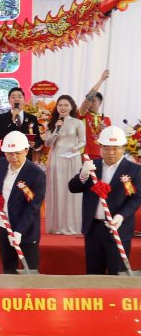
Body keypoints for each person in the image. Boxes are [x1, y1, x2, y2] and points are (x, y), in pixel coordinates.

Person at [68, 126, 141, 275]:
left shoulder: (134, 170)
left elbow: (135, 198)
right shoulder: (92, 166)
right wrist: (83, 174)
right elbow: (73, 188)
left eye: (116, 148)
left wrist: (121, 216)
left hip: (118, 228)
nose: (111, 153)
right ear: (100, 147)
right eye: (106, 148)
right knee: (94, 273)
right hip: (93, 228)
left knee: (118, 273)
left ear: (124, 147)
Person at [0, 132, 46, 274]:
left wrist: (19, 231)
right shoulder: (1, 164)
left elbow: (33, 207)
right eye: (9, 153)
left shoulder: (36, 174)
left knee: (30, 271)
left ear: (26, 150)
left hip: (26, 229)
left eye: (17, 153)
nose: (13, 157)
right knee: (8, 269)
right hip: (3, 224)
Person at [43, 95, 86, 235]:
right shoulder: (52, 123)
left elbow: (83, 141)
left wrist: (76, 147)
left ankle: (72, 224)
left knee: (71, 188)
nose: (63, 108)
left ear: (71, 107)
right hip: (56, 158)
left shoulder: (77, 122)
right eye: (60, 105)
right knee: (57, 189)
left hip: (72, 158)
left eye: (66, 105)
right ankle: (57, 225)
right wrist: (56, 129)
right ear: (57, 107)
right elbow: (48, 143)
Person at [0, 87, 43, 162]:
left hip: (26, 158)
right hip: (7, 158)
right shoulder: (1, 118)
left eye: (19, 97)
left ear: (24, 100)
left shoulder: (32, 118)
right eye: (13, 97)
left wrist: (35, 144)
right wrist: (12, 121)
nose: (16, 99)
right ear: (9, 100)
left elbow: (38, 139)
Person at [77, 69, 112, 161]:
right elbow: (88, 98)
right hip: (85, 154)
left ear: (100, 102)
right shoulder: (83, 114)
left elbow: (109, 139)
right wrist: (101, 80)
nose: (90, 103)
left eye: (93, 101)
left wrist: (104, 131)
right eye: (89, 101)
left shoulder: (107, 119)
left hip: (102, 155)